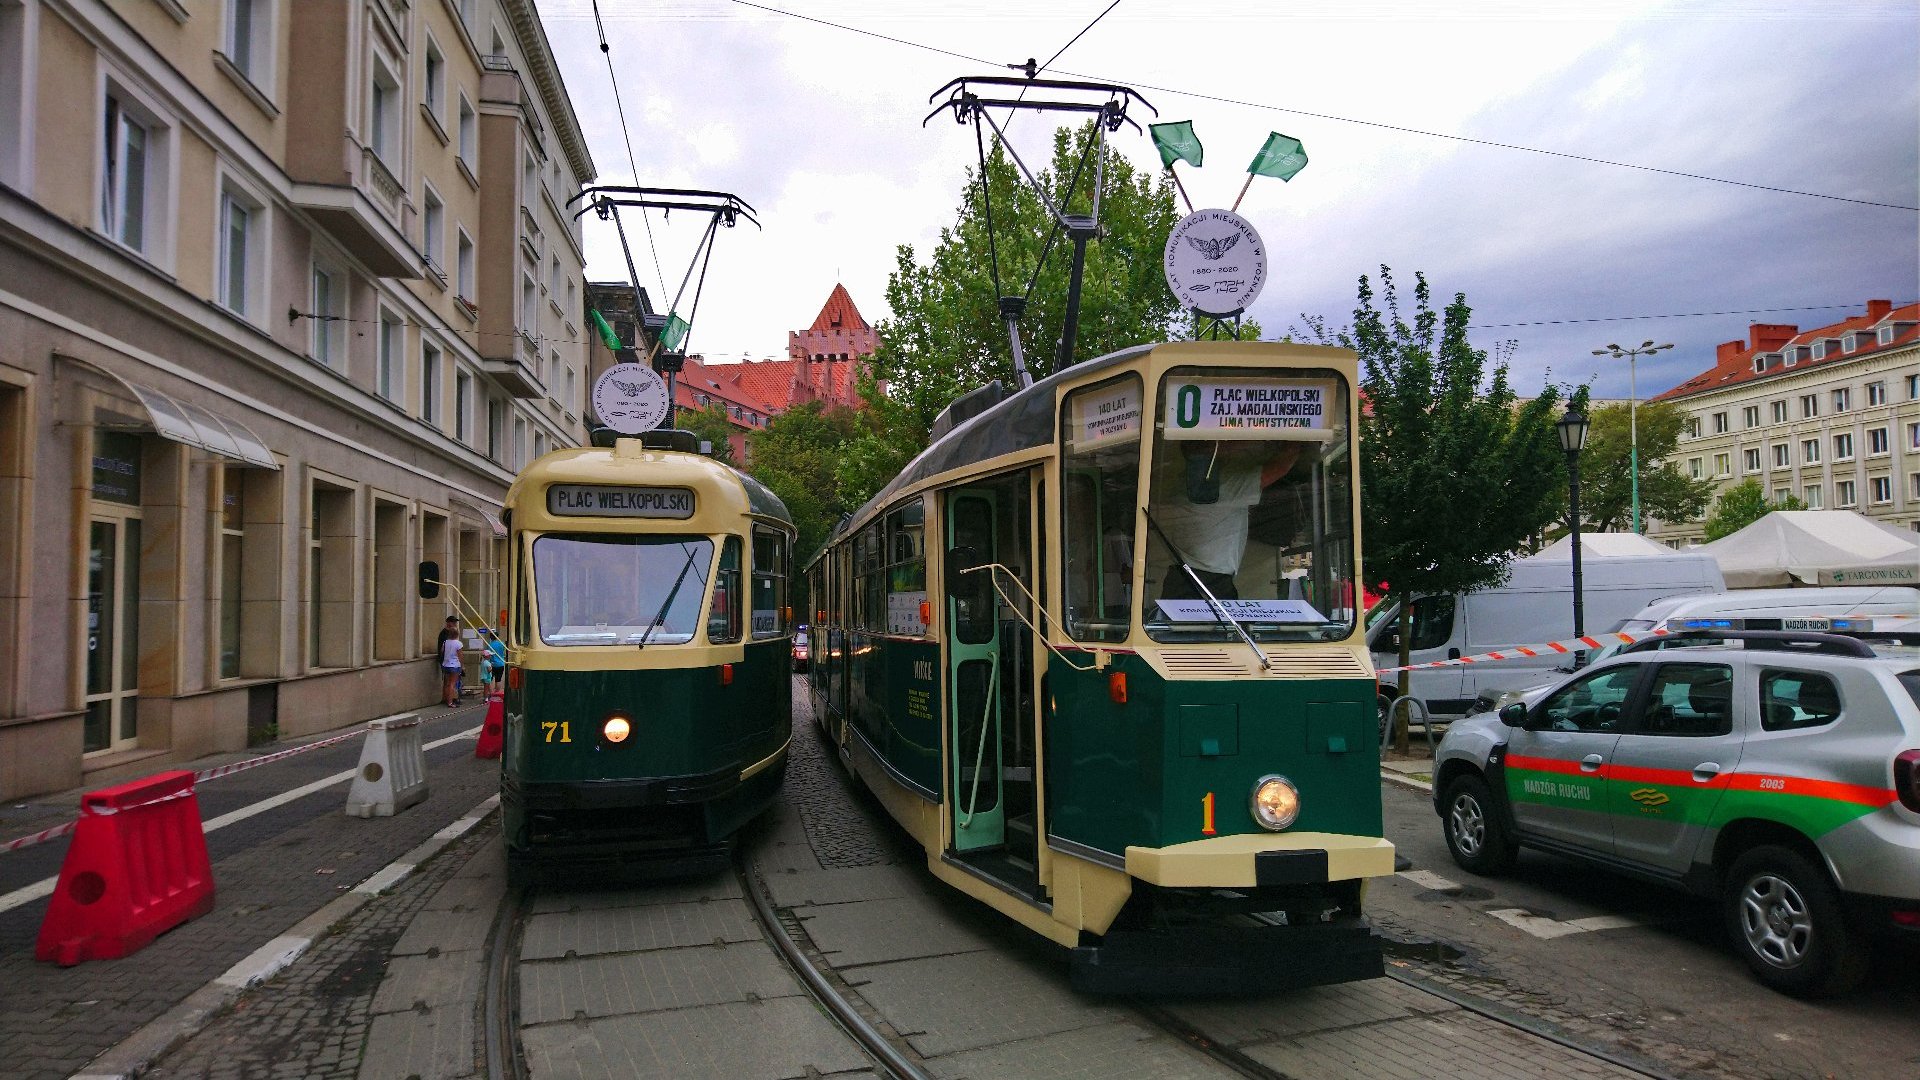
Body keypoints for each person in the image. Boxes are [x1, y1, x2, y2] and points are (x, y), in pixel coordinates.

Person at [1155, 439, 1302, 601]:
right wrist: (1297, 436)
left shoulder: (1183, 484)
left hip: (1183, 578)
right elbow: (1282, 465)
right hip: (1207, 581)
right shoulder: (1220, 486)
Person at [438, 616, 463, 708]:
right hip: (453, 664)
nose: (455, 624)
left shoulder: (446, 641)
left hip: (445, 663)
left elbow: (441, 650)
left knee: (447, 683)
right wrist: (462, 666)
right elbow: (460, 655)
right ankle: (450, 701)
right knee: (452, 683)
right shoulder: (456, 642)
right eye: (454, 622)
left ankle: (446, 698)